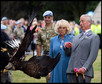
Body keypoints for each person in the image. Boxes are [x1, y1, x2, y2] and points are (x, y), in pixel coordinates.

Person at [64, 14, 100, 83]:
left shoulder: (94, 37)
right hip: (71, 71)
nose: (80, 23)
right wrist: (66, 47)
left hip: (84, 73)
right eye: (80, 22)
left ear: (89, 22)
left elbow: (93, 55)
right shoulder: (75, 37)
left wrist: (84, 68)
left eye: (83, 21)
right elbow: (68, 53)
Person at [36, 10, 57, 82]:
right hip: (46, 55)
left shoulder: (56, 29)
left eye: (49, 17)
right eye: (45, 17)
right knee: (48, 77)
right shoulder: (40, 31)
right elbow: (38, 44)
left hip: (55, 55)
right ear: (44, 18)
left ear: (52, 18)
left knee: (58, 75)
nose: (47, 19)